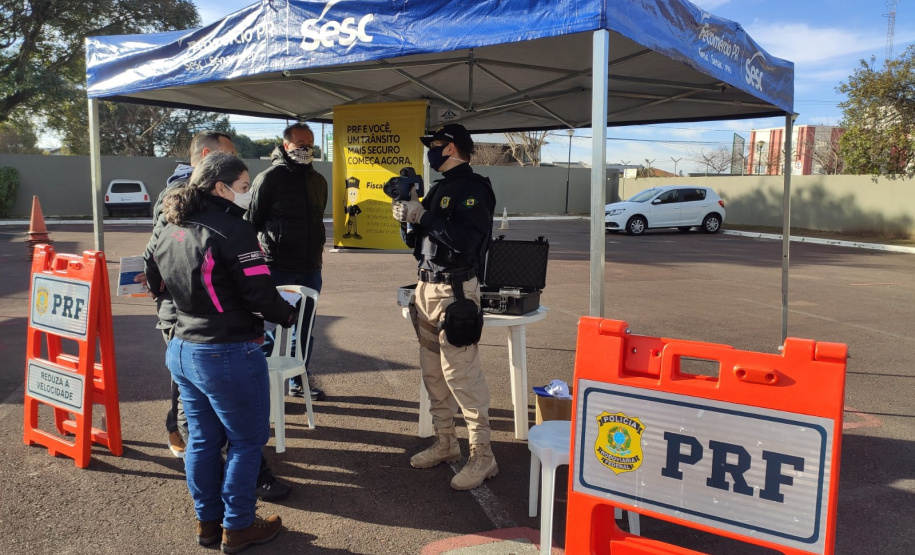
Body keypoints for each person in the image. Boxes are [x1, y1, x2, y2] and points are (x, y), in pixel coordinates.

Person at [144, 152, 296, 552]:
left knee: (203, 442)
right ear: (221, 187)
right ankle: (239, 526)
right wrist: (289, 315)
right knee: (246, 442)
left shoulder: (169, 222)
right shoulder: (233, 230)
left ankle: (209, 524)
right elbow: (261, 295)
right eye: (244, 188)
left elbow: (152, 276)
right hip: (226, 352)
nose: (247, 195)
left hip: (182, 347)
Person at [393, 123, 498, 491]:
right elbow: (421, 242)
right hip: (426, 287)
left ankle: (483, 455)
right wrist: (407, 220)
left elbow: (465, 241)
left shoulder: (473, 189)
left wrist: (423, 216)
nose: (431, 151)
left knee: (462, 376)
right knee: (433, 374)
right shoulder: (439, 189)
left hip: (455, 291)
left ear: (451, 148)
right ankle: (446, 442)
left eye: (435, 145)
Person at [247, 122, 328, 401]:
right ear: (286, 145)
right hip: (277, 267)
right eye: (300, 144)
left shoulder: (318, 181)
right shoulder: (268, 178)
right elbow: (251, 223)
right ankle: (258, 382)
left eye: (310, 144)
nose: (306, 149)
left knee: (304, 330)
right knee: (272, 328)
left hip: (310, 269)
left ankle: (298, 380)